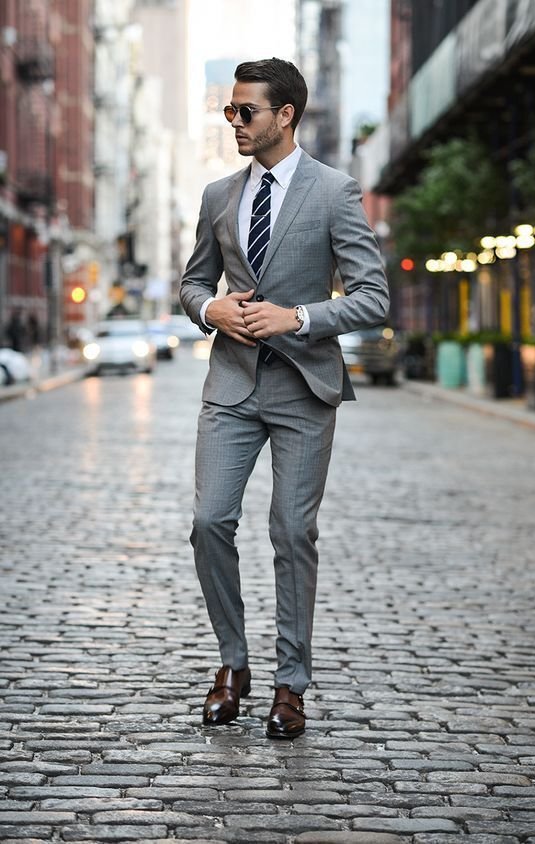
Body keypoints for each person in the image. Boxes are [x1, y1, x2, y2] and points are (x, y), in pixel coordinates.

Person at [180, 58, 389, 739]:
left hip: (304, 387)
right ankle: (232, 665)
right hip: (232, 385)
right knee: (210, 521)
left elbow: (371, 297)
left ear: (285, 115)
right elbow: (192, 284)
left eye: (246, 111)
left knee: (291, 533)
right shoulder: (218, 195)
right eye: (230, 112)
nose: (234, 121)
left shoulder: (334, 192)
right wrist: (212, 310)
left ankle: (290, 682)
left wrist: (296, 317)